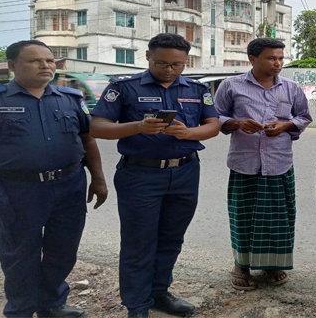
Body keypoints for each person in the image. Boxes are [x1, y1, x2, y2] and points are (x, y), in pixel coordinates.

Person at [90, 33, 220, 318]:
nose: (170, 69)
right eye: (162, 63)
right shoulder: (124, 87)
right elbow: (98, 126)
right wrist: (137, 126)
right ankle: (137, 306)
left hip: (185, 171)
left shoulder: (198, 89)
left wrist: (188, 133)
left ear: (186, 62)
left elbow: (213, 125)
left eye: (178, 64)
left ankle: (159, 293)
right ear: (148, 56)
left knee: (171, 238)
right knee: (139, 242)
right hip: (140, 174)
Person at [0, 40, 108, 318]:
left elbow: (88, 141)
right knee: (19, 254)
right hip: (17, 189)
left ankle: (52, 303)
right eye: (35, 60)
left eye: (50, 61)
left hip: (69, 185)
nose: (46, 65)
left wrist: (98, 179)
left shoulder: (69, 98)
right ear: (12, 65)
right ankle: (21, 309)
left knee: (63, 249)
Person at [214, 38, 311, 290]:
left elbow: (303, 117)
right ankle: (241, 265)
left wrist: (285, 125)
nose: (277, 63)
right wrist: (237, 123)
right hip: (244, 163)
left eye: (280, 58)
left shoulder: (291, 87)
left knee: (279, 218)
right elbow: (216, 117)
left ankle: (273, 265)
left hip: (279, 163)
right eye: (271, 58)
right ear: (253, 59)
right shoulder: (230, 85)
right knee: (242, 217)